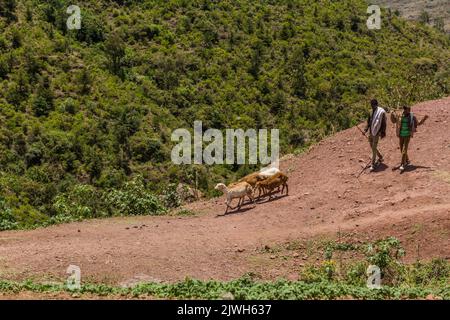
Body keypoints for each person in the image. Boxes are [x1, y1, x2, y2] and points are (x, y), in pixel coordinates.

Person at [391, 106, 428, 172]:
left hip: (407, 135)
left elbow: (418, 123)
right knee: (402, 149)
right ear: (404, 110)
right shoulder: (399, 115)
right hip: (401, 135)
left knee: (404, 149)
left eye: (409, 110)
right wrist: (392, 114)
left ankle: (402, 164)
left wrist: (424, 118)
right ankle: (407, 160)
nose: (408, 111)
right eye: (407, 110)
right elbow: (393, 121)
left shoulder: (412, 116)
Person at [364, 99, 387, 172]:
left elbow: (384, 123)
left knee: (374, 148)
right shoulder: (370, 112)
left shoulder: (381, 112)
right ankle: (380, 156)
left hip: (377, 132)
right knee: (371, 146)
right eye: (372, 105)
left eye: (374, 105)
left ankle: (373, 164)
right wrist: (365, 130)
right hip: (371, 132)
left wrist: (382, 132)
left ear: (376, 105)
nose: (373, 106)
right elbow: (368, 122)